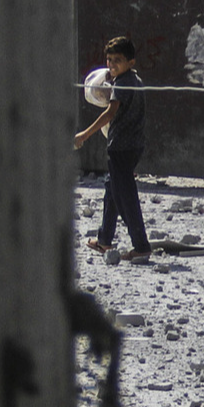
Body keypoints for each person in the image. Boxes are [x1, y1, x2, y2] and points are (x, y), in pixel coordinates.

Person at [74, 36, 150, 261]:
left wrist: (84, 135)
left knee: (125, 197)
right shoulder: (135, 80)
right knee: (112, 190)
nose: (112, 65)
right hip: (132, 146)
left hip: (121, 148)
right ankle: (105, 239)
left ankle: (141, 246)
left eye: (117, 60)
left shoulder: (123, 83)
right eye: (109, 60)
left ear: (131, 62)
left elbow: (109, 112)